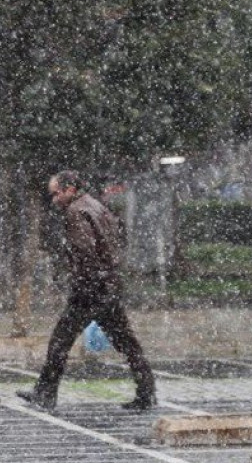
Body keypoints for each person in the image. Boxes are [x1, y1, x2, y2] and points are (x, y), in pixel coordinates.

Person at [18, 170, 156, 411]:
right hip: (108, 285)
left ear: (70, 189)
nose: (54, 200)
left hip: (90, 290)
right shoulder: (97, 206)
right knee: (126, 342)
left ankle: (45, 393)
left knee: (60, 341)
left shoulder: (75, 212)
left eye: (56, 194)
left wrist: (82, 284)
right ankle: (147, 391)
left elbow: (85, 253)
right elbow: (115, 243)